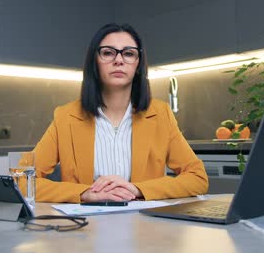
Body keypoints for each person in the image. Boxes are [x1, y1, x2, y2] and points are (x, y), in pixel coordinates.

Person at [33, 23, 208, 203]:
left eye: (128, 53)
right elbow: (21, 179)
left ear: (138, 64)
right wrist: (84, 193)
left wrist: (138, 189)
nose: (119, 60)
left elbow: (198, 178)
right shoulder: (65, 117)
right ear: (95, 62)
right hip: (87, 226)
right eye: (108, 53)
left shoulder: (161, 114)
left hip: (144, 226)